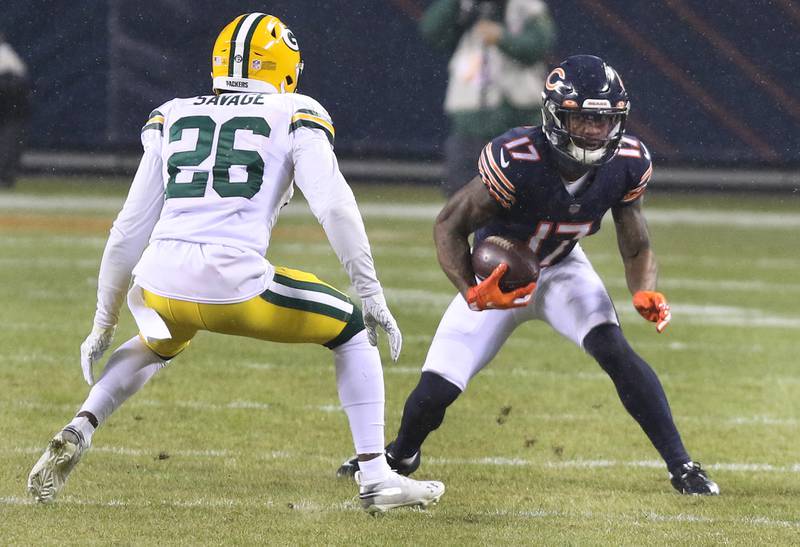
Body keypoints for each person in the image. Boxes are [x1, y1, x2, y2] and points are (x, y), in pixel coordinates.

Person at [27, 13, 444, 514]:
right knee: (351, 327)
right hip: (234, 285)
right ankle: (377, 476)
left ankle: (80, 426)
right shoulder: (294, 109)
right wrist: (371, 292)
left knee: (158, 341)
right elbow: (333, 206)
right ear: (286, 67)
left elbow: (128, 229)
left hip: (161, 282)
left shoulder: (174, 112)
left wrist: (102, 321)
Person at [338, 55, 719, 496]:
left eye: (605, 120)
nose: (596, 130)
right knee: (435, 390)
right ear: (556, 115)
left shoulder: (627, 162)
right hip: (501, 280)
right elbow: (449, 224)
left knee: (616, 352)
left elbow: (635, 239)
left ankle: (683, 466)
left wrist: (644, 290)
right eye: (584, 119)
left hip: (563, 270)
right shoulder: (518, 157)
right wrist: (473, 291)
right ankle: (402, 454)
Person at [419, 0, 556, 196]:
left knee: (528, 191)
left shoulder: (525, 5)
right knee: (462, 190)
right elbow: (432, 32)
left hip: (517, 110)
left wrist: (502, 38)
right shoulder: (463, 5)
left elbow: (538, 45)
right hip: (471, 110)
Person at [0, 33, 31, 189]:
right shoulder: (7, 54)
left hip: (11, 102)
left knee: (9, 139)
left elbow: (13, 85)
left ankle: (5, 176)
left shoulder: (4, 54)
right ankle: (5, 175)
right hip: (12, 103)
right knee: (9, 139)